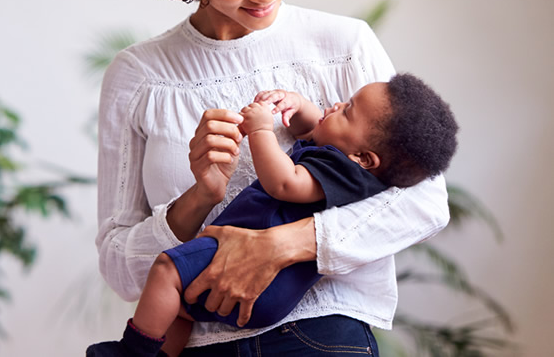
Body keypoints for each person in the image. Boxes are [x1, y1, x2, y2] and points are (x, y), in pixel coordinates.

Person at [96, 0, 452, 355]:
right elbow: (117, 263)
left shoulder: (343, 45)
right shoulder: (140, 77)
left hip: (321, 335)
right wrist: (200, 196)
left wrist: (283, 246)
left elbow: (423, 201)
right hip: (200, 343)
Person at [88, 75, 458, 356]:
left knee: (167, 270)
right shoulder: (351, 163)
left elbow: (284, 182)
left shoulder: (339, 170)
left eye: (347, 110)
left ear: (364, 159)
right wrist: (296, 104)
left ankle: (131, 352)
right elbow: (316, 128)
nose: (335, 105)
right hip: (268, 294)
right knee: (183, 310)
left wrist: (263, 129)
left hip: (267, 288)